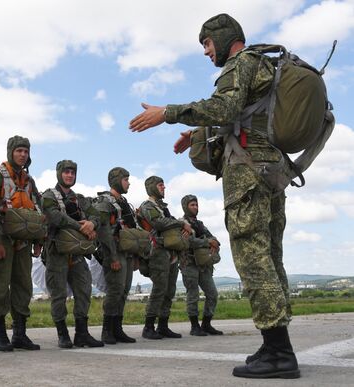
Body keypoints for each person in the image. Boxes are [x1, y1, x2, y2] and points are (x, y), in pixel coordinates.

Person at [129, 13, 299, 379]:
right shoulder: (263, 65)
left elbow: (224, 107)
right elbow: (247, 115)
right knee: (270, 257)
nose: (206, 52)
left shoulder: (239, 64)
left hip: (248, 173)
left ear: (224, 38)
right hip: (272, 170)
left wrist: (168, 113)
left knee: (253, 260)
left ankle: (280, 353)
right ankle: (274, 345)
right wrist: (196, 136)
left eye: (207, 44)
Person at [0, 135, 42, 351]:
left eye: (26, 151)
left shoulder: (29, 181)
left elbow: (37, 211)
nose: (22, 155)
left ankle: (20, 334)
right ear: (11, 152)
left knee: (23, 286)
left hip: (24, 242)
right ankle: (0, 334)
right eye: (19, 150)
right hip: (3, 239)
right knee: (0, 286)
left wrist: (38, 240)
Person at [41, 160, 104, 348]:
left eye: (72, 173)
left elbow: (96, 215)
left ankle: (82, 334)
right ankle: (63, 334)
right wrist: (81, 227)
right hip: (56, 252)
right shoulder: (49, 196)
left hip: (77, 254)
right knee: (58, 295)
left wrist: (92, 224)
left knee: (84, 291)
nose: (69, 175)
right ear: (59, 173)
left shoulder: (80, 199)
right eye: (66, 172)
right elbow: (55, 217)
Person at [137, 176, 189, 340]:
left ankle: (163, 326)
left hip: (170, 253)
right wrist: (181, 223)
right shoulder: (147, 206)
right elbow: (158, 223)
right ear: (151, 187)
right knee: (159, 289)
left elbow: (167, 223)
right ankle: (148, 327)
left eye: (164, 185)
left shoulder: (163, 208)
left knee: (169, 291)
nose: (164, 187)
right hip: (157, 252)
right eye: (160, 185)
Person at [93, 167, 137, 344]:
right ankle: (107, 330)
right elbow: (104, 232)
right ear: (116, 180)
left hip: (126, 253)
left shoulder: (124, 202)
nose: (128, 183)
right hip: (114, 253)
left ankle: (117, 329)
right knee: (115, 291)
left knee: (124, 291)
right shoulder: (105, 202)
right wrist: (112, 257)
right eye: (126, 179)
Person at [179, 194, 222, 336]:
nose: (195, 207)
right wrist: (207, 242)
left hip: (203, 265)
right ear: (186, 206)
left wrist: (214, 241)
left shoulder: (200, 224)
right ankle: (194, 326)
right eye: (192, 205)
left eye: (196, 205)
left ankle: (206, 324)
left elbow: (213, 238)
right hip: (189, 263)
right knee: (193, 295)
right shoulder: (182, 223)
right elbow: (189, 241)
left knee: (213, 294)